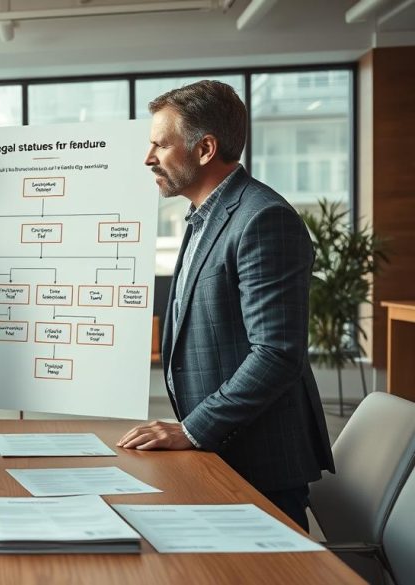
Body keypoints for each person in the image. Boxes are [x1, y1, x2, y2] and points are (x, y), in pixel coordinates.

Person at [117, 80, 334, 531]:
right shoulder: (206, 216)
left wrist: (191, 429)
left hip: (260, 466)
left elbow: (276, 353)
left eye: (160, 144)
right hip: (222, 455)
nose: (148, 157)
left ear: (205, 148)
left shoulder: (262, 218)